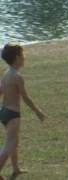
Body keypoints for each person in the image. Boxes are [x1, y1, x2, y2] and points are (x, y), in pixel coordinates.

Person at [0, 43, 46, 179]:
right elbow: (25, 98)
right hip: (13, 114)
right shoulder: (17, 77)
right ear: (17, 58)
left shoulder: (6, 74)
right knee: (9, 145)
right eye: (23, 55)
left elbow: (2, 91)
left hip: (4, 112)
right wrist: (38, 111)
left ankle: (15, 169)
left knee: (14, 141)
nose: (24, 57)